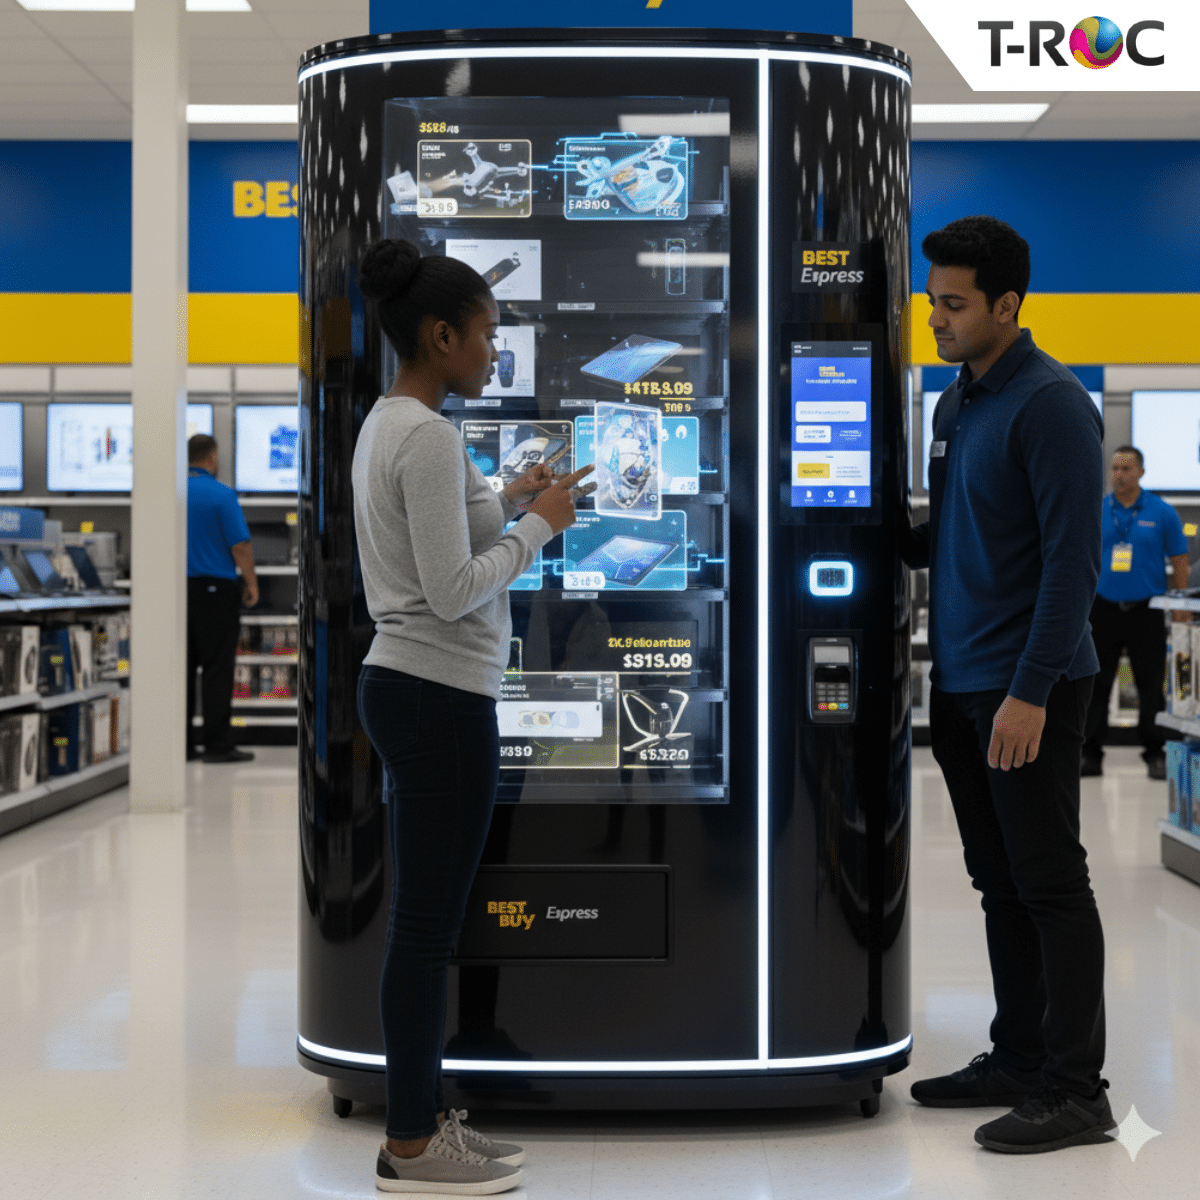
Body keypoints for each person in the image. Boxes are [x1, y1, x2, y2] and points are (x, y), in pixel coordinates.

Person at [352, 238, 593, 1196]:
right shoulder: (431, 435)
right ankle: (410, 1146)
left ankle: (424, 1122)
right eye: (487, 335)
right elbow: (451, 591)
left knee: (425, 925)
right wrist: (542, 529)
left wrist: (510, 499)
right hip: (437, 694)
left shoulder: (394, 424)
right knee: (425, 932)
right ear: (441, 334)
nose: (495, 351)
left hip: (413, 689)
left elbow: (434, 545)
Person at [903, 216, 1113, 1153]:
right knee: (999, 887)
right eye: (933, 302)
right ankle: (1019, 1055)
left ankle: (1078, 1090)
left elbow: (1074, 570)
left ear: (1006, 305)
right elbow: (943, 536)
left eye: (953, 305)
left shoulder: (1053, 405)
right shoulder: (956, 405)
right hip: (961, 687)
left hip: (1029, 691)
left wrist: (1028, 692)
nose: (937, 321)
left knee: (1050, 886)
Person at [1082, 446, 1189, 780]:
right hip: (1102, 609)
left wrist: (1181, 606)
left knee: (1150, 684)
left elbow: (1180, 561)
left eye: (1127, 469)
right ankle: (1090, 753)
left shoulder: (1162, 513)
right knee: (1095, 685)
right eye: (1115, 468)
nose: (1120, 474)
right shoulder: (1096, 511)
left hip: (1147, 611)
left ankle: (1155, 752)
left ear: (1141, 472)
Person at [186, 433, 257, 764]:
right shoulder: (221, 495)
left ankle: (182, 744)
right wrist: (252, 583)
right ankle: (217, 745)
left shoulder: (174, 493)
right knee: (216, 669)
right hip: (217, 592)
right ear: (212, 457)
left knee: (182, 669)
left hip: (179, 592)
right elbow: (240, 545)